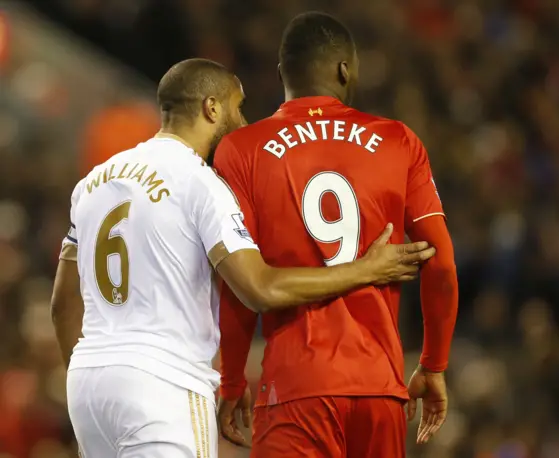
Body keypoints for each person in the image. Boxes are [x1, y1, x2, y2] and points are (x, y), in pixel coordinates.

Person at [50, 58, 435, 458]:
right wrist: (367, 269)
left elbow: (62, 305)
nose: (243, 119)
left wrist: (89, 375)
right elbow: (260, 288)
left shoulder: (94, 181)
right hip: (163, 383)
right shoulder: (199, 182)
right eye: (237, 106)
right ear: (211, 108)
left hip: (89, 384)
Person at [215, 12, 459, 458]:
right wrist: (433, 363)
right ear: (345, 69)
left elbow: (236, 286)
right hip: (378, 386)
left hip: (295, 387)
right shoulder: (398, 141)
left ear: (283, 73)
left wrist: (232, 380)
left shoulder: (242, 149)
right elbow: (440, 261)